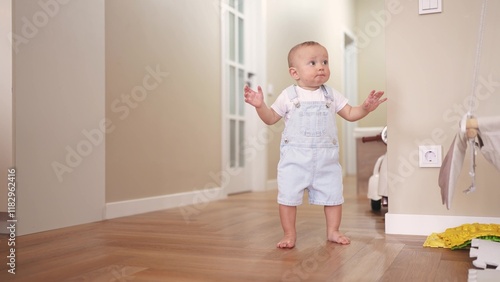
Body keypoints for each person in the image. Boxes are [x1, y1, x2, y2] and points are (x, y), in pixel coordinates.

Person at [243, 41, 386, 249]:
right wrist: (260, 106)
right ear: (295, 72)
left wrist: (365, 108)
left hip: (326, 161)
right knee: (288, 198)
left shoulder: (331, 94)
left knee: (334, 196)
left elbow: (351, 114)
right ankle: (289, 234)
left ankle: (333, 230)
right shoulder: (288, 96)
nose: (321, 66)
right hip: (294, 160)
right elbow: (271, 118)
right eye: (312, 63)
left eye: (325, 62)